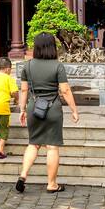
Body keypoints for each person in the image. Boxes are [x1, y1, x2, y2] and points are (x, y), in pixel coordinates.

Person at [16, 31, 79, 194]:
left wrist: (22, 109)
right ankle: (51, 184)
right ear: (52, 47)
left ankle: (23, 175)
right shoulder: (57, 66)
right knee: (52, 147)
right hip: (52, 109)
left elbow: (24, 90)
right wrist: (74, 110)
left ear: (36, 47)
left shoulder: (27, 66)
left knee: (33, 143)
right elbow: (64, 90)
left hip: (33, 108)